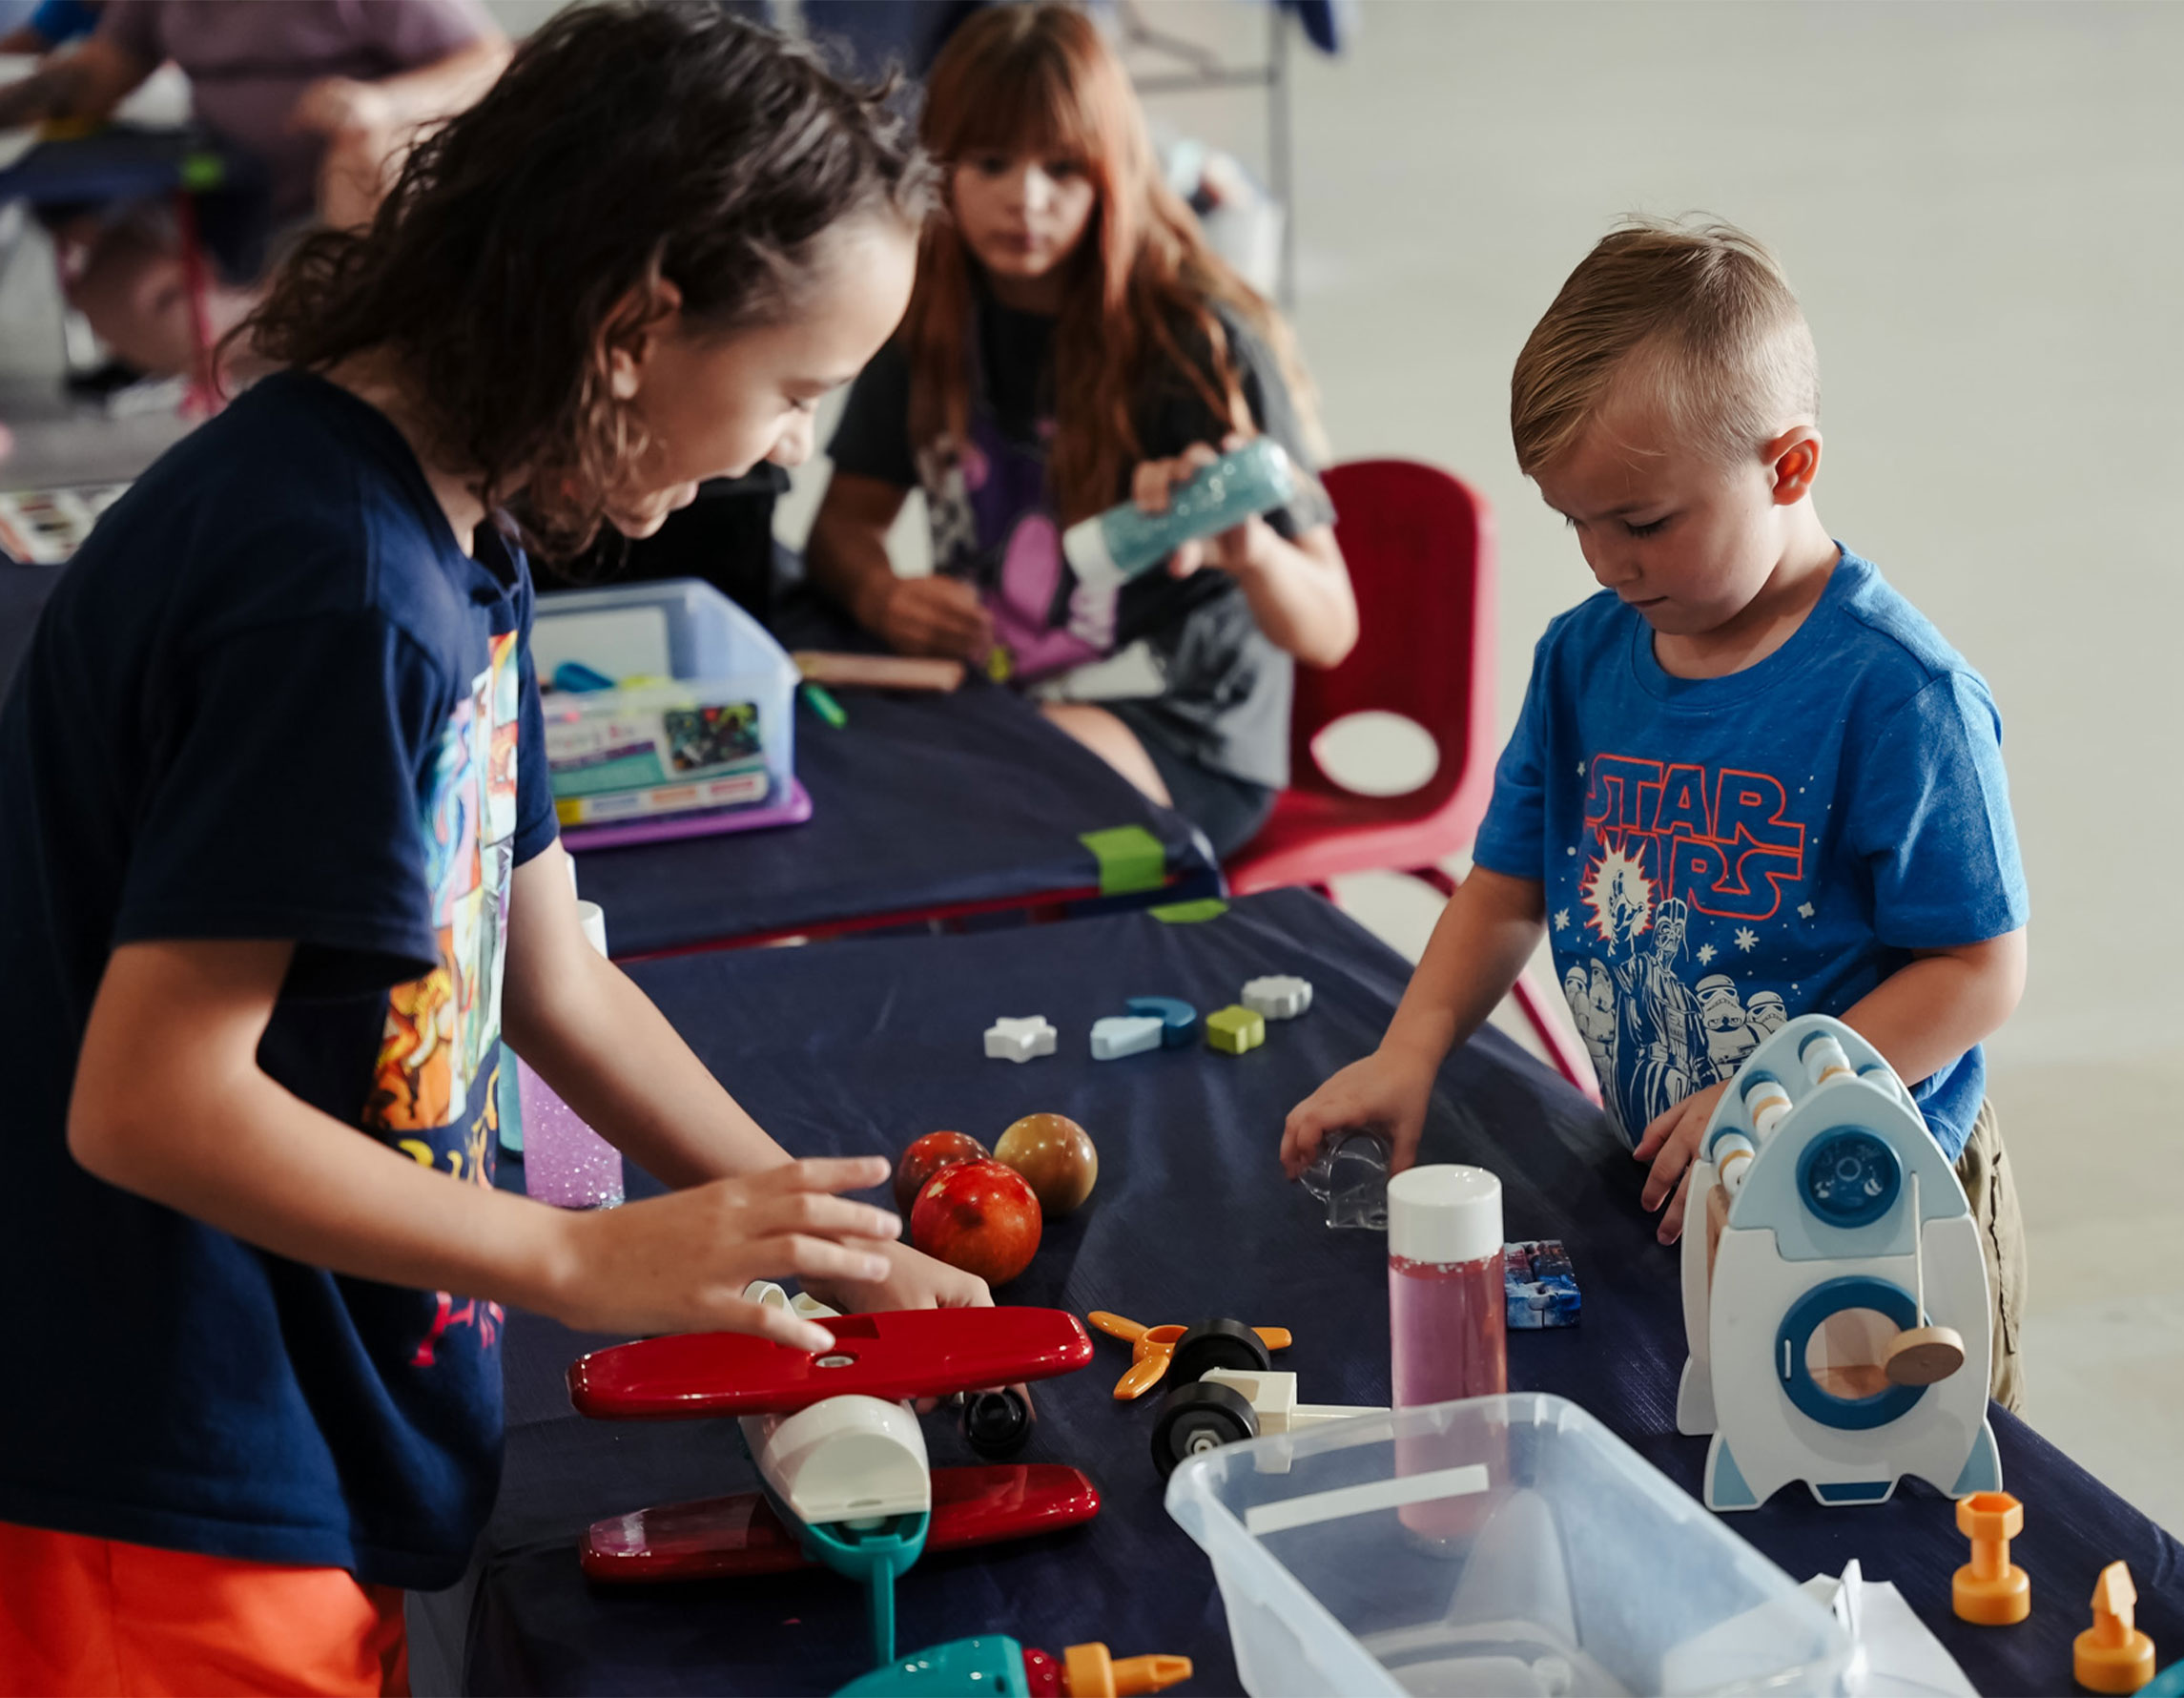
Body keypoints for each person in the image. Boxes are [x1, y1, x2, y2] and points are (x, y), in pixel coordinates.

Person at [0, 9, 980, 1691]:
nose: (790, 447)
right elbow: (149, 1097)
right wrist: (583, 1258)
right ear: (638, 318)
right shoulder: (334, 587)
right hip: (162, 1452)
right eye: (798, 388)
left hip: (301, 1402)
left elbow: (548, 979)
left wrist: (819, 1238)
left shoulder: (457, 530)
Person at [1280, 220, 2029, 1408]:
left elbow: (1979, 969)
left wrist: (1787, 1092)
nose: (1601, 561)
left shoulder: (1898, 693)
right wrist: (1409, 1048)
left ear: (1788, 466)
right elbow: (1506, 883)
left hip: (1874, 1196)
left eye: (1639, 522)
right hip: (1684, 1178)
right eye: (1569, 520)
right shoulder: (1583, 661)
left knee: (1899, 1502)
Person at [805, 2, 1355, 859]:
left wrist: (1248, 550)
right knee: (853, 787)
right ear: (938, 162)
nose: (1027, 200)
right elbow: (842, 528)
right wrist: (884, 595)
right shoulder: (925, 324)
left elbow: (1329, 627)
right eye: (991, 162)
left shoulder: (1199, 346)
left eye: (1062, 169)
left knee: (962, 814)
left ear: (1114, 171)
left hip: (1186, 742)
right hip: (1005, 707)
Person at [0, 0, 510, 383]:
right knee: (124, 293)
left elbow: (489, 60)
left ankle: (375, 366)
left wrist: (384, 104)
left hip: (360, 186)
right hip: (233, 194)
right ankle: (289, 370)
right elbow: (103, 70)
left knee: (366, 152)